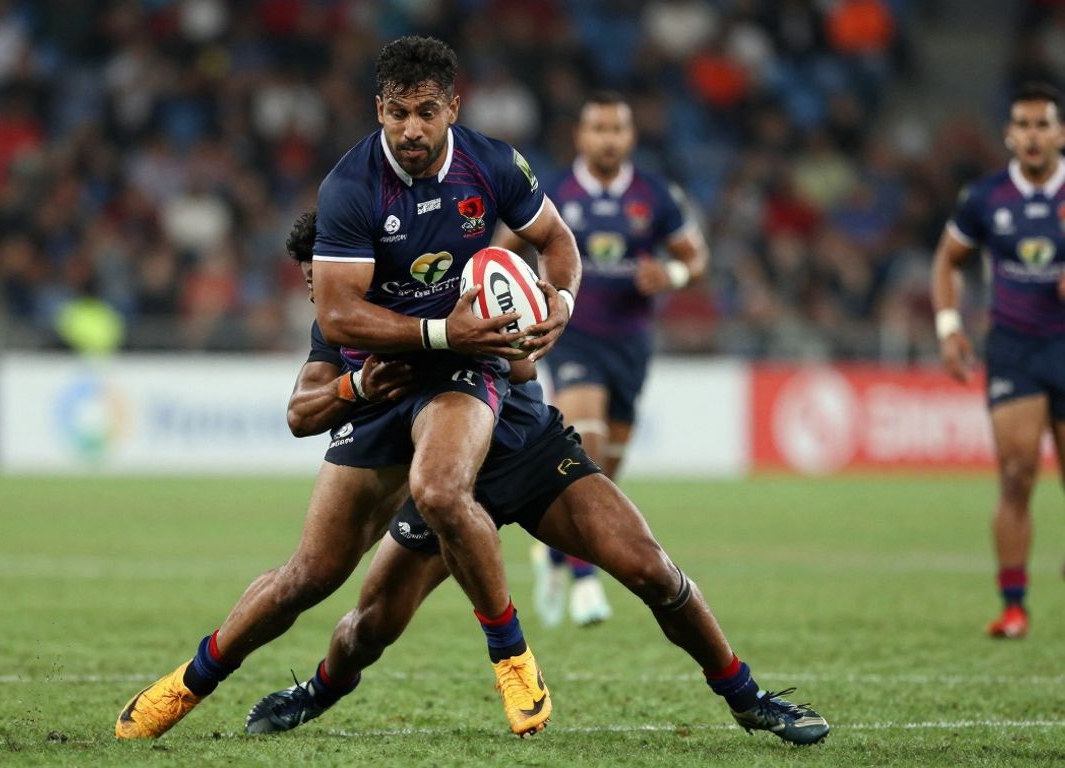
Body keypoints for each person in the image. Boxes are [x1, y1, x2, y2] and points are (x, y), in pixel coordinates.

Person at [115, 37, 582, 740]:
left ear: (453, 105)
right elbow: (336, 317)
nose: (412, 129)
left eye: (426, 111)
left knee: (442, 489)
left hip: (465, 367)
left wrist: (562, 307)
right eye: (397, 113)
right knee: (308, 577)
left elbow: (559, 244)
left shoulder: (491, 163)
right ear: (379, 110)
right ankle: (190, 682)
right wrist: (399, 358)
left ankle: (511, 656)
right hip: (393, 373)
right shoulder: (352, 187)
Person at [239, 209, 828, 746]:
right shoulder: (348, 325)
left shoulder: (448, 276)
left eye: (327, 269)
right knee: (369, 627)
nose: (319, 285)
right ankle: (317, 691)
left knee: (651, 569)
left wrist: (530, 319)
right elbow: (306, 408)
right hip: (449, 485)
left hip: (528, 448)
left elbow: (520, 365)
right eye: (313, 274)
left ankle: (748, 697)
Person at [497, 92, 709, 629]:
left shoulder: (655, 194)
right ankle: (586, 583)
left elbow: (695, 256)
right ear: (581, 135)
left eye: (618, 129)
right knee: (585, 439)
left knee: (603, 473)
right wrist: (520, 290)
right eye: (598, 128)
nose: (608, 138)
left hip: (631, 344)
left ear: (630, 136)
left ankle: (553, 553)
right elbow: (503, 247)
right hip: (572, 335)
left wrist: (673, 276)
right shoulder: (554, 193)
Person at [931, 82, 1065, 639]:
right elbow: (947, 261)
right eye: (1023, 126)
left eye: (1043, 125)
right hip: (1014, 346)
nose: (1032, 136)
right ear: (1009, 134)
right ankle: (1014, 606)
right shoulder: (986, 197)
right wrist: (949, 326)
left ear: (1060, 133)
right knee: (1015, 475)